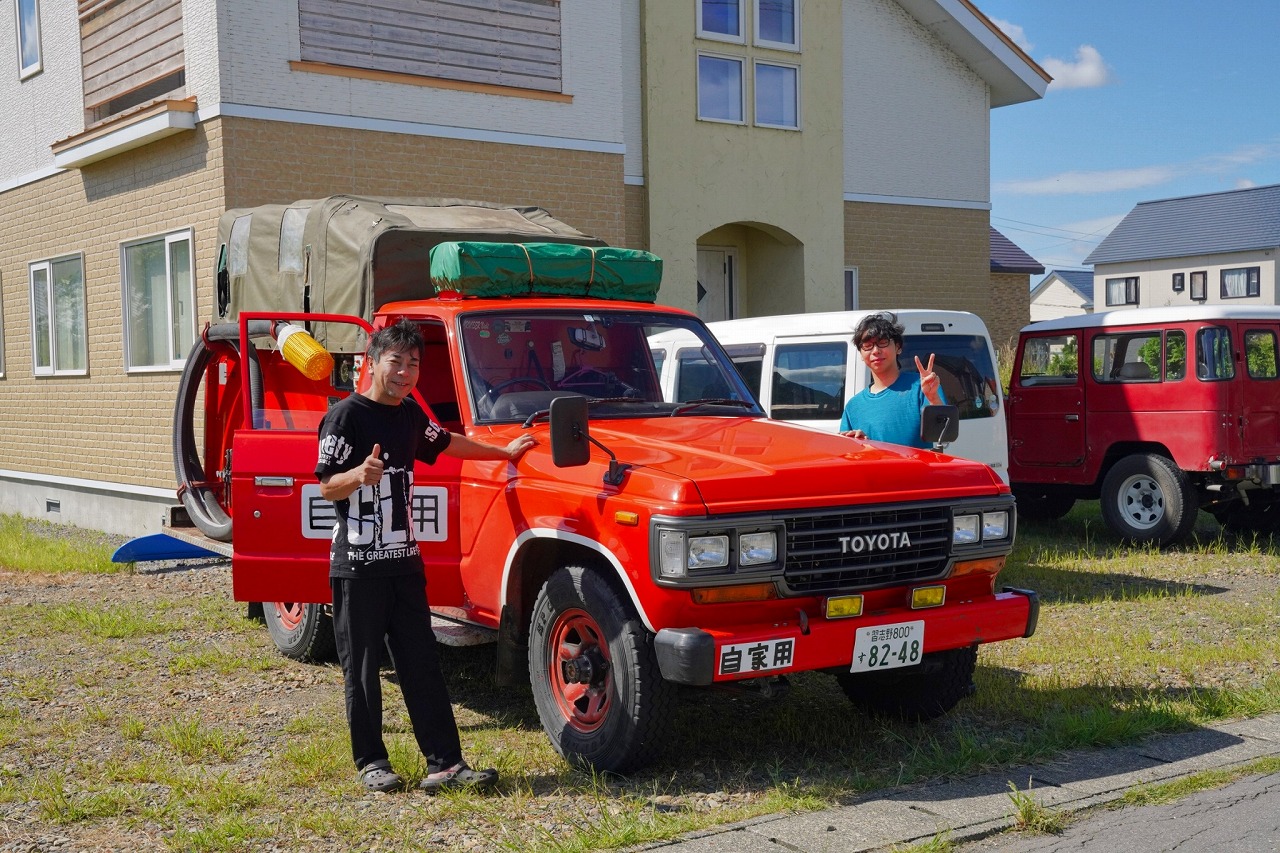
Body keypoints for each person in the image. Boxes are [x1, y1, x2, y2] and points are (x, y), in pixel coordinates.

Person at [315, 318, 535, 794]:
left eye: (413, 364)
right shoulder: (345, 417)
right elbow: (327, 484)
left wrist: (503, 453)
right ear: (372, 362)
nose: (405, 372)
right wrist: (360, 475)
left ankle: (446, 766)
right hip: (357, 567)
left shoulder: (411, 416)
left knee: (421, 663)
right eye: (396, 361)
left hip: (404, 565)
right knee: (363, 666)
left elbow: (448, 443)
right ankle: (372, 762)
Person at [839, 311, 944, 449]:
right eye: (867, 345)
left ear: (898, 347)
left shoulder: (922, 387)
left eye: (883, 342)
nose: (875, 351)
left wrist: (933, 398)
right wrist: (859, 442)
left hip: (917, 470)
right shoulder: (853, 406)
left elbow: (942, 431)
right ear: (861, 354)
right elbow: (846, 451)